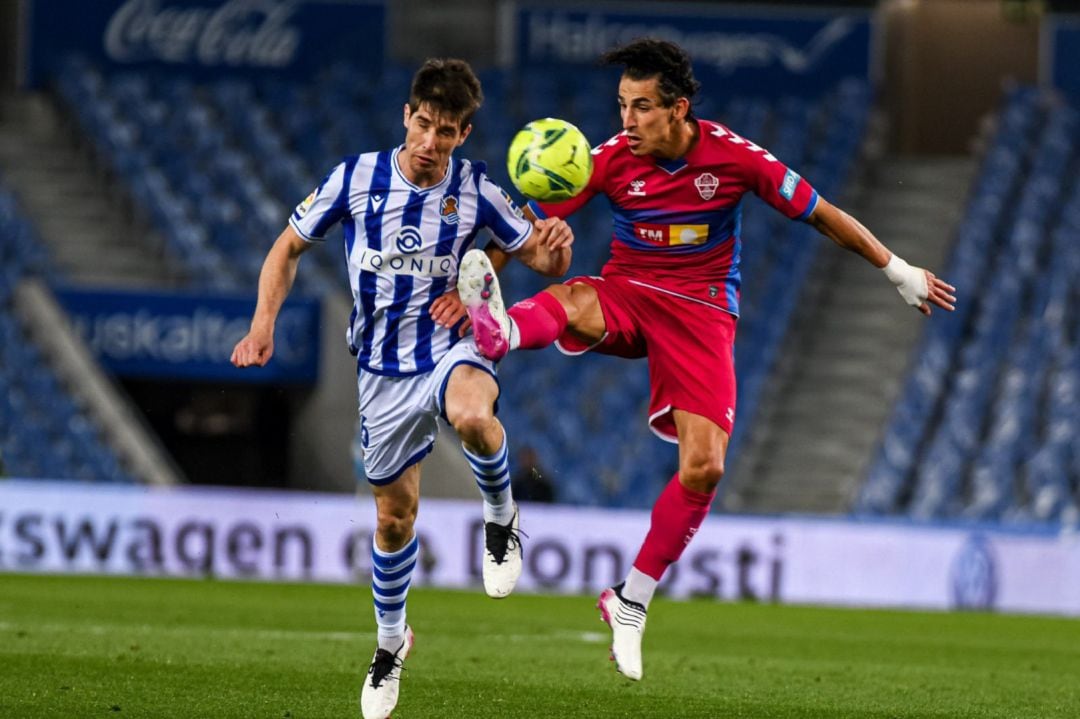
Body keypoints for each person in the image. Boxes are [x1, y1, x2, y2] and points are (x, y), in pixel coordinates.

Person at [459, 38, 957, 681]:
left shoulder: (733, 158)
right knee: (576, 295)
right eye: (621, 106)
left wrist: (897, 271)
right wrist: (483, 272)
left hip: (700, 316)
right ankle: (501, 330)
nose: (626, 122)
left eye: (641, 108)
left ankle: (631, 600)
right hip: (631, 294)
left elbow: (821, 213)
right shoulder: (605, 162)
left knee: (704, 466)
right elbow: (523, 223)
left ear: (679, 109)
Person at [230, 58, 572, 719]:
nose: (429, 142)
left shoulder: (478, 190)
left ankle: (502, 519)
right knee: (393, 518)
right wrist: (262, 326)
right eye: (422, 124)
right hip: (382, 371)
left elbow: (542, 257)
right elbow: (286, 247)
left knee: (475, 414)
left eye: (445, 132)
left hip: (451, 345)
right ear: (406, 116)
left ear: (464, 135)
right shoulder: (355, 178)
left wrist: (556, 246)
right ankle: (390, 645)